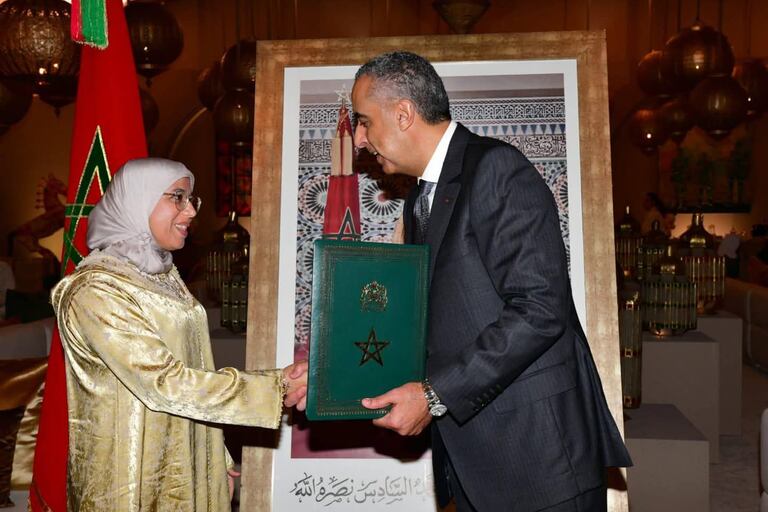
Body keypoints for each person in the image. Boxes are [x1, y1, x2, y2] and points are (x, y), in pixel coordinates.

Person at [351, 52, 632, 511]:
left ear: (403, 113)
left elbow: (540, 310)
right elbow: (436, 326)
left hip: (538, 458)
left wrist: (434, 395)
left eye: (364, 121)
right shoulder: (419, 199)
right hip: (475, 458)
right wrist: (334, 371)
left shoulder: (497, 170)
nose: (360, 140)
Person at [51, 158, 307, 511]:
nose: (190, 212)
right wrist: (273, 386)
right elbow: (164, 382)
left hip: (180, 463)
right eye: (177, 197)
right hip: (128, 478)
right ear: (138, 201)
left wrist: (214, 455)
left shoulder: (162, 274)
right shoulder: (96, 289)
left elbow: (195, 363)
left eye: (191, 200)